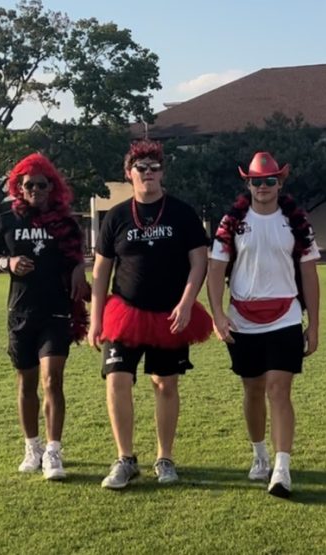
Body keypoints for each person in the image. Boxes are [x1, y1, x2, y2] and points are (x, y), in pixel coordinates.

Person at [89, 139, 213, 489]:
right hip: (124, 312)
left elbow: (199, 261)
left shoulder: (182, 213)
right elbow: (100, 272)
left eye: (154, 168)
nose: (148, 174)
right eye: (141, 168)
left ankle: (165, 458)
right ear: (129, 174)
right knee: (117, 379)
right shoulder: (115, 217)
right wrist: (96, 318)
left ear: (162, 172)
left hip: (170, 314)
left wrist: (188, 301)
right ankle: (125, 459)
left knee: (165, 384)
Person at [207, 152, 321, 498]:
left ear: (280, 182)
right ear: (248, 183)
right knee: (253, 390)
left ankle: (282, 469)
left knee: (278, 390)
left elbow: (309, 273)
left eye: (270, 180)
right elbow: (214, 270)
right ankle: (260, 456)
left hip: (285, 315)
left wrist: (314, 324)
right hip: (242, 318)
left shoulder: (296, 221)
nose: (263, 187)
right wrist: (217, 315)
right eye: (256, 181)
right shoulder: (232, 221)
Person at [0, 152, 89, 481]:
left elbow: (75, 258)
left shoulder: (66, 223)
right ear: (18, 187)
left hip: (55, 311)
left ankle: (54, 450)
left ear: (52, 187)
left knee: (53, 380)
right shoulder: (5, 221)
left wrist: (81, 271)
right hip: (20, 313)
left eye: (43, 185)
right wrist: (6, 264)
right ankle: (32, 446)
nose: (37, 190)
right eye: (30, 185)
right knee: (26, 383)